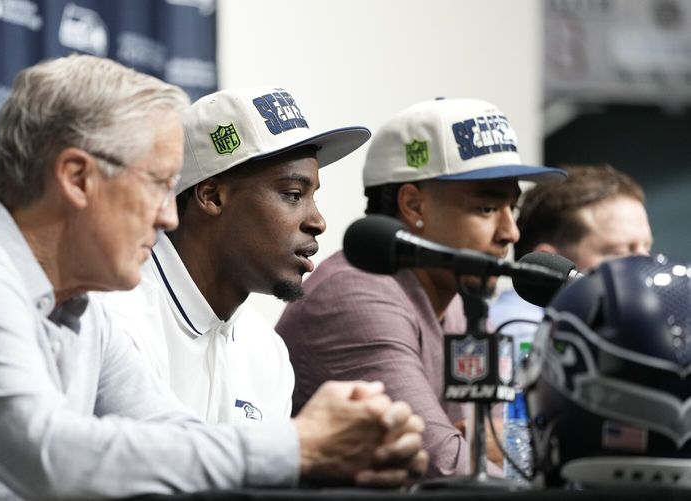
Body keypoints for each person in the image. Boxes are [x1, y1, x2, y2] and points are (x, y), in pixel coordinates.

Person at [0, 55, 426, 500]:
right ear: (77, 178)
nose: (168, 217)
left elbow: (174, 432)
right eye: (157, 185)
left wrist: (342, 455)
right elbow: (52, 458)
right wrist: (299, 445)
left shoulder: (79, 311)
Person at [275, 98, 567, 477]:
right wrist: (476, 451)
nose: (510, 233)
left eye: (513, 209)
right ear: (414, 206)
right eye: (487, 209)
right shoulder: (355, 294)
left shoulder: (463, 302)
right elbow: (445, 468)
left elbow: (501, 447)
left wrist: (486, 452)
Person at [99, 86, 370, 425]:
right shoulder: (116, 321)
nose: (317, 222)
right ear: (212, 197)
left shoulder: (266, 350)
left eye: (313, 196)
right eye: (293, 194)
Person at [489, 163, 653, 345]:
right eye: (622, 251)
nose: (646, 264)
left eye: (646, 248)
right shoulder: (514, 332)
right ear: (546, 266)